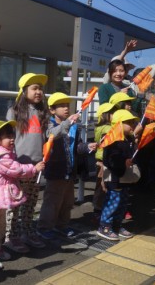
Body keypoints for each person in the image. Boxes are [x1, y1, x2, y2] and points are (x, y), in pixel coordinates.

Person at [0, 120, 44, 270]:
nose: (12, 139)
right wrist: (34, 168)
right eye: (7, 136)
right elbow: (16, 170)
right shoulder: (1, 156)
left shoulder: (1, 152)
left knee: (1, 225)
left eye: (12, 135)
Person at [36, 93, 95, 240]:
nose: (66, 108)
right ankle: (44, 227)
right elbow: (52, 135)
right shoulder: (49, 124)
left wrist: (87, 146)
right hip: (56, 171)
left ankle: (61, 225)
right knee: (52, 201)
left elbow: (77, 146)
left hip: (70, 170)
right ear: (52, 110)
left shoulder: (73, 126)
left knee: (68, 201)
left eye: (67, 105)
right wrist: (67, 123)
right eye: (61, 106)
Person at [4, 73, 49, 253]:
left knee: (30, 203)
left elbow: (47, 136)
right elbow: (7, 138)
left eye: (40, 88)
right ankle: (11, 236)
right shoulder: (14, 111)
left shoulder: (42, 112)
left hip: (37, 167)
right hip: (20, 167)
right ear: (24, 91)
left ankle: (28, 231)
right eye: (34, 88)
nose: (39, 92)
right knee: (16, 204)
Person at [97, 109, 138, 241]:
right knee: (113, 202)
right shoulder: (112, 139)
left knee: (122, 202)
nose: (132, 125)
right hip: (114, 177)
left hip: (124, 177)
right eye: (129, 123)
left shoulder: (128, 139)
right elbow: (110, 159)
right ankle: (105, 226)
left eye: (133, 122)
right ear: (119, 124)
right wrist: (123, 162)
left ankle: (117, 224)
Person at [92, 102, 116, 224]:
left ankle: (99, 210)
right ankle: (98, 211)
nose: (114, 115)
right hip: (104, 161)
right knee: (102, 187)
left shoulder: (101, 127)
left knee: (102, 187)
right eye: (112, 113)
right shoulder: (107, 129)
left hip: (102, 160)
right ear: (105, 115)